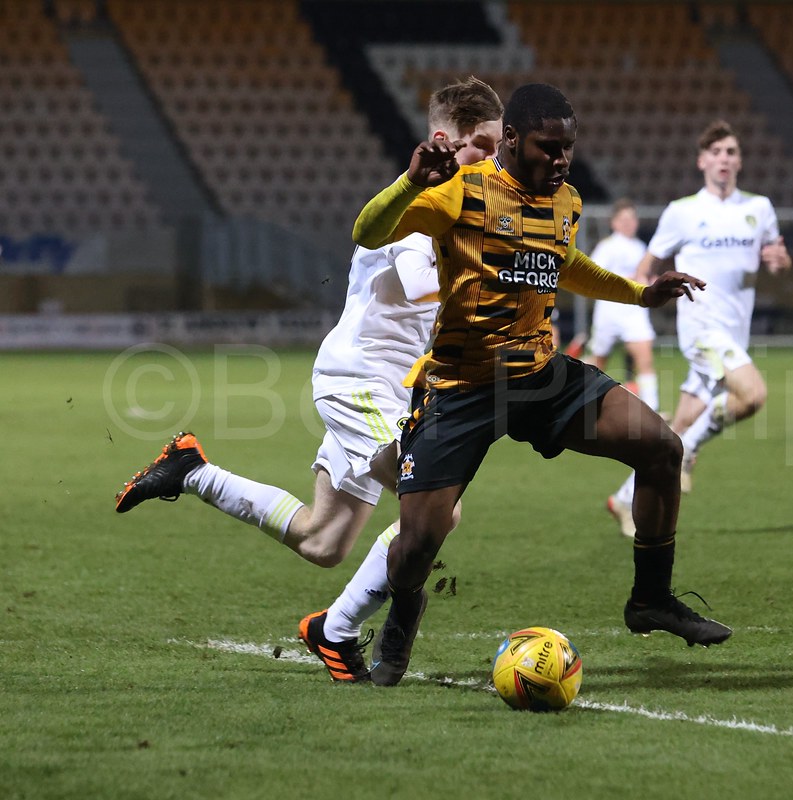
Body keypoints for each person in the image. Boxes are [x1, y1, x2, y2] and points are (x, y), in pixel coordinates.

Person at [339, 83, 732, 687]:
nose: (562, 160)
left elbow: (564, 261)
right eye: (550, 148)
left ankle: (650, 598)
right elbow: (367, 232)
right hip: (461, 387)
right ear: (514, 141)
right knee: (418, 543)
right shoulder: (460, 194)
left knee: (662, 447)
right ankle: (405, 608)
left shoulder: (566, 200)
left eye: (569, 149)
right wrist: (410, 182)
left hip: (542, 378)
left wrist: (638, 293)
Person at [113, 78, 505, 682]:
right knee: (437, 509)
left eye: (498, 146)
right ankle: (338, 629)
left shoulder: (466, 207)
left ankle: (193, 470)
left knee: (323, 542)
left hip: (397, 389)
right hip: (361, 378)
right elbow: (432, 286)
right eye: (480, 145)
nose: (492, 158)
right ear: (443, 141)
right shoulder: (417, 206)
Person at [607, 120, 791, 536]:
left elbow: (777, 258)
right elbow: (646, 267)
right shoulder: (683, 211)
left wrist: (780, 262)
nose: (724, 159)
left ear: (739, 161)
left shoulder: (758, 208)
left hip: (733, 332)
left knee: (678, 428)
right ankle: (688, 454)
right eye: (717, 152)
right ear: (702, 160)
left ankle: (621, 497)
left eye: (731, 152)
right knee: (754, 395)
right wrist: (644, 297)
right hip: (701, 328)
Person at [584, 198, 660, 412]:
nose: (628, 223)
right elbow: (593, 276)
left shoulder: (640, 248)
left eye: (632, 218)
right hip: (609, 313)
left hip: (634, 313)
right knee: (597, 364)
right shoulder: (607, 247)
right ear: (614, 223)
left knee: (645, 359)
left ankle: (653, 411)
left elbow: (642, 277)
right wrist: (626, 280)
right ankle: (584, 405)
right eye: (623, 219)